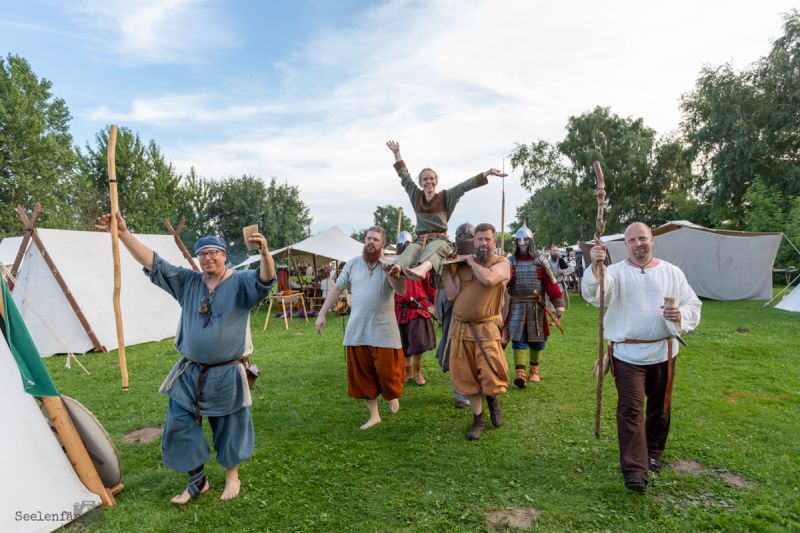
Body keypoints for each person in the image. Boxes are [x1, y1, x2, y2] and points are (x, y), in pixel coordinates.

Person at [95, 213, 275, 504]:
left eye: (213, 253)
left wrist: (265, 253)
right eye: (202, 254)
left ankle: (232, 476)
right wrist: (123, 234)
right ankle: (197, 481)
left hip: (227, 372)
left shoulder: (241, 282)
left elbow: (265, 279)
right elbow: (154, 263)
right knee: (179, 423)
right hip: (190, 371)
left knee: (230, 426)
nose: (208, 258)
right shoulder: (188, 282)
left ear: (224, 256)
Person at [582, 222, 701, 493]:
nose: (638, 244)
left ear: (652, 240)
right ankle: (635, 469)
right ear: (626, 244)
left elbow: (693, 303)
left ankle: (653, 452)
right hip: (627, 355)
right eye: (632, 240)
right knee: (631, 409)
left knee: (660, 407)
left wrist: (680, 315)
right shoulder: (615, 273)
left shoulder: (672, 272)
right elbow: (595, 294)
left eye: (643, 238)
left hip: (664, 351)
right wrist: (596, 267)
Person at [315, 226, 407, 429]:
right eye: (368, 238)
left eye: (375, 239)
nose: (370, 242)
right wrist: (321, 314)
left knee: (389, 374)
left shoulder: (391, 265)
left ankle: (391, 395)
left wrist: (391, 273)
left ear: (383, 243)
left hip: (385, 330)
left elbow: (401, 290)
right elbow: (337, 288)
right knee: (363, 376)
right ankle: (374, 415)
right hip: (358, 330)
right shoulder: (353, 264)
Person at [385, 140, 506, 282]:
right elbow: (404, 176)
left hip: (439, 239)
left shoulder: (446, 196)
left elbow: (465, 185)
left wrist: (488, 173)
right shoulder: (416, 195)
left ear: (436, 181)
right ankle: (397, 268)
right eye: (425, 179)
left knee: (434, 250)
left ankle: (422, 269)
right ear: (420, 183)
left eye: (431, 178)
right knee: (409, 251)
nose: (428, 182)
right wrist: (396, 152)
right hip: (420, 239)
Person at [443, 223, 511, 440]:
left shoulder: (502, 263)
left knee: (491, 373)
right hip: (461, 330)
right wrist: (446, 268)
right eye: (479, 239)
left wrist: (471, 262)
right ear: (474, 241)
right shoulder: (461, 266)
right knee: (467, 377)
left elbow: (489, 279)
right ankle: (478, 419)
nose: (483, 243)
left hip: (487, 329)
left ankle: (493, 399)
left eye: (487, 239)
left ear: (494, 241)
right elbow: (452, 294)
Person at [506, 224, 565, 388]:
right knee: (518, 339)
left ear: (531, 241)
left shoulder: (540, 260)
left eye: (525, 239)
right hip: (516, 306)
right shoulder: (510, 262)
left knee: (538, 340)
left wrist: (558, 303)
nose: (522, 243)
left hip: (536, 307)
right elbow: (503, 283)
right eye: (519, 240)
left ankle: (534, 371)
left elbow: (551, 283)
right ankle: (520, 373)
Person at [434, 222, 476, 409]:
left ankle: (476, 389)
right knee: (454, 351)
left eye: (470, 236)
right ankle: (461, 393)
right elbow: (438, 284)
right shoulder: (449, 257)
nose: (465, 238)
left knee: (475, 352)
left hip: (476, 312)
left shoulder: (481, 258)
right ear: (455, 237)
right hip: (453, 311)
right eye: (461, 235)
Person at [393, 231, 436, 386]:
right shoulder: (394, 265)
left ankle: (417, 371)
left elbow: (430, 286)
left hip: (418, 309)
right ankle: (407, 370)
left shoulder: (421, 263)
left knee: (418, 343)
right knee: (404, 343)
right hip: (400, 310)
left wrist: (435, 303)